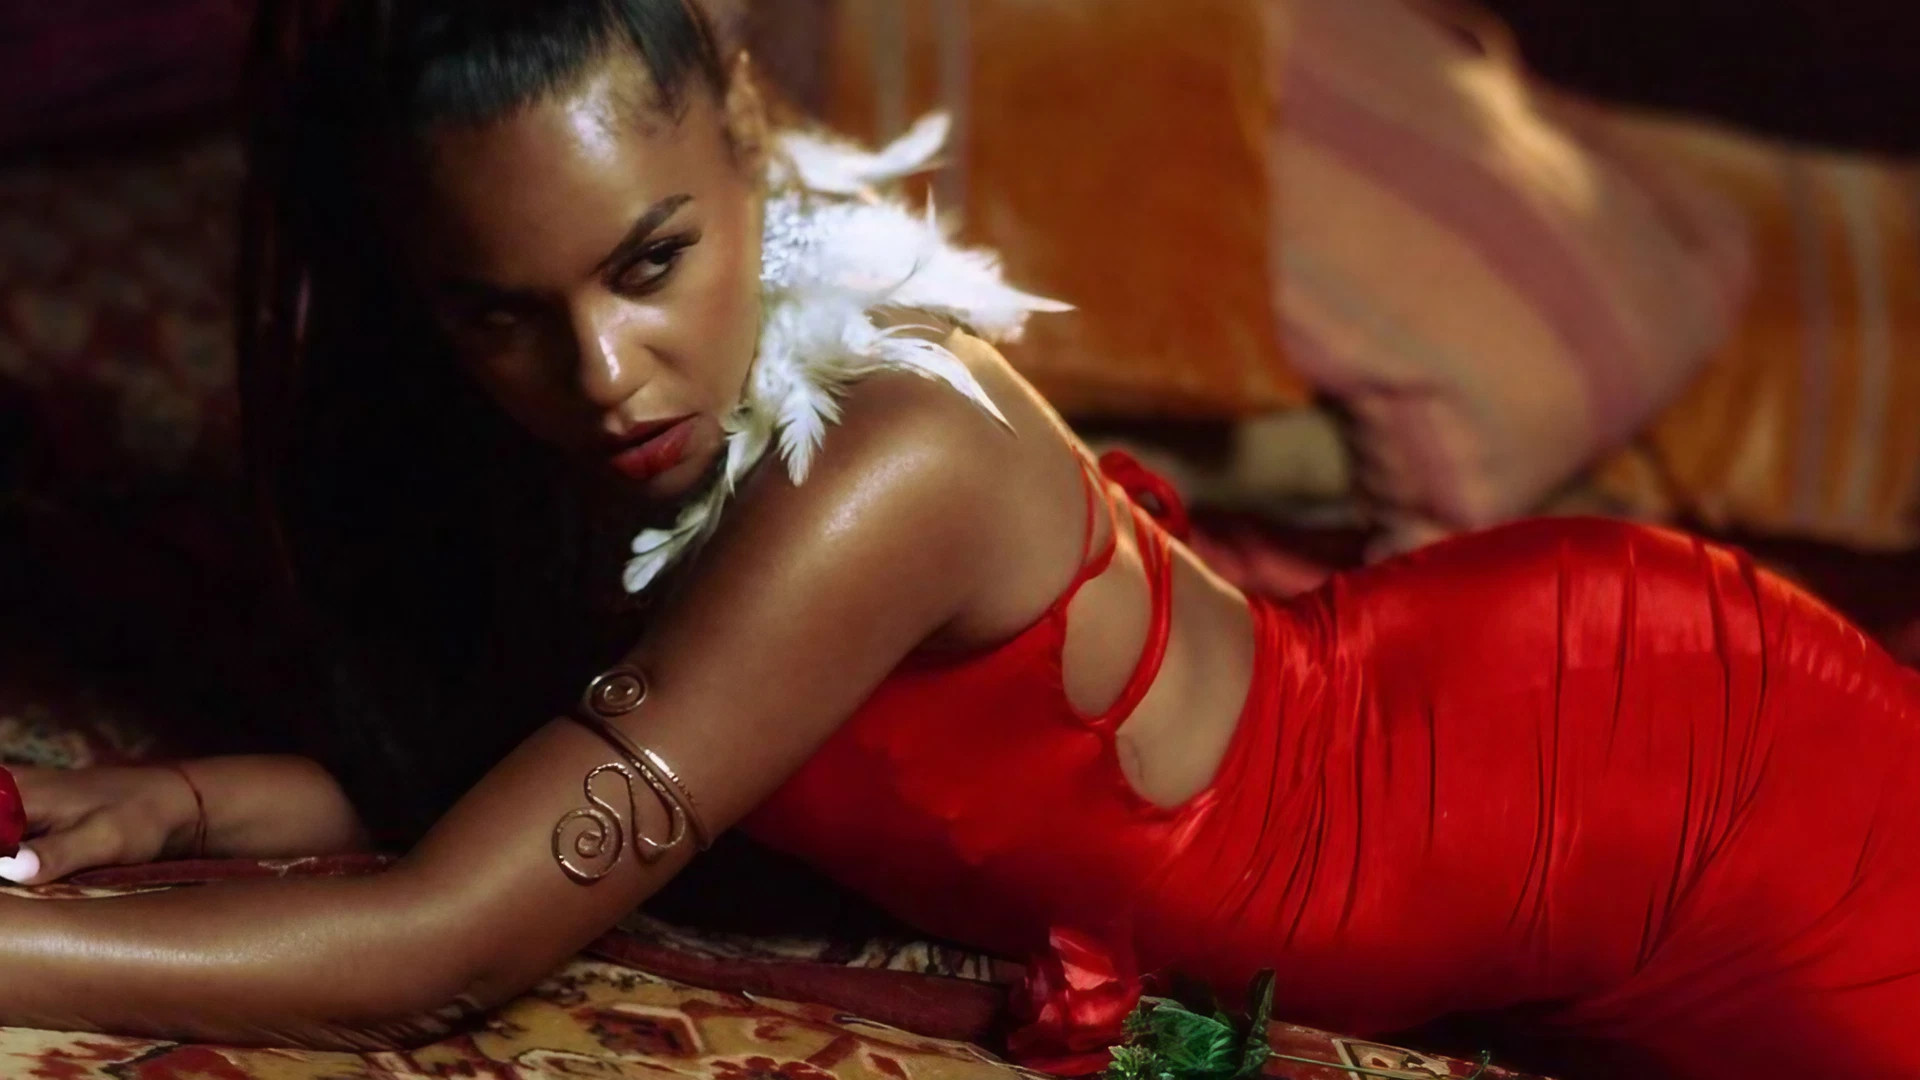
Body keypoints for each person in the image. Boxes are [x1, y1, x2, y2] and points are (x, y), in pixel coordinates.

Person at [2, 2, 1916, 1076]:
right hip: (1503, 751)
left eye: (651, 262)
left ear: (747, 134)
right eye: (500, 313)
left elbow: (443, 943)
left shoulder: (887, 466)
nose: (598, 370)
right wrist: (183, 806)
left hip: (1677, 783)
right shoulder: (647, 432)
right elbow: (531, 766)